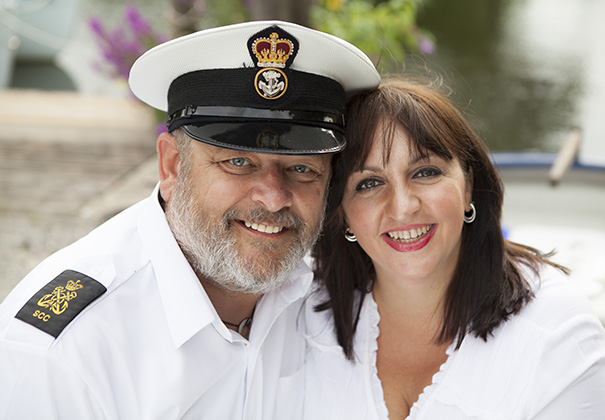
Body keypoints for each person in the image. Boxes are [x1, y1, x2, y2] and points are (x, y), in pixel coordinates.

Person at [0, 21, 380, 419]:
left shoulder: (324, 295)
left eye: (302, 169)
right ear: (172, 166)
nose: (272, 198)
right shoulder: (65, 356)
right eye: (237, 162)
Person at [302, 78, 605, 419]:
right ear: (342, 212)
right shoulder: (301, 311)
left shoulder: (559, 337)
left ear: (468, 185)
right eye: (369, 183)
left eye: (425, 172)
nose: (402, 207)